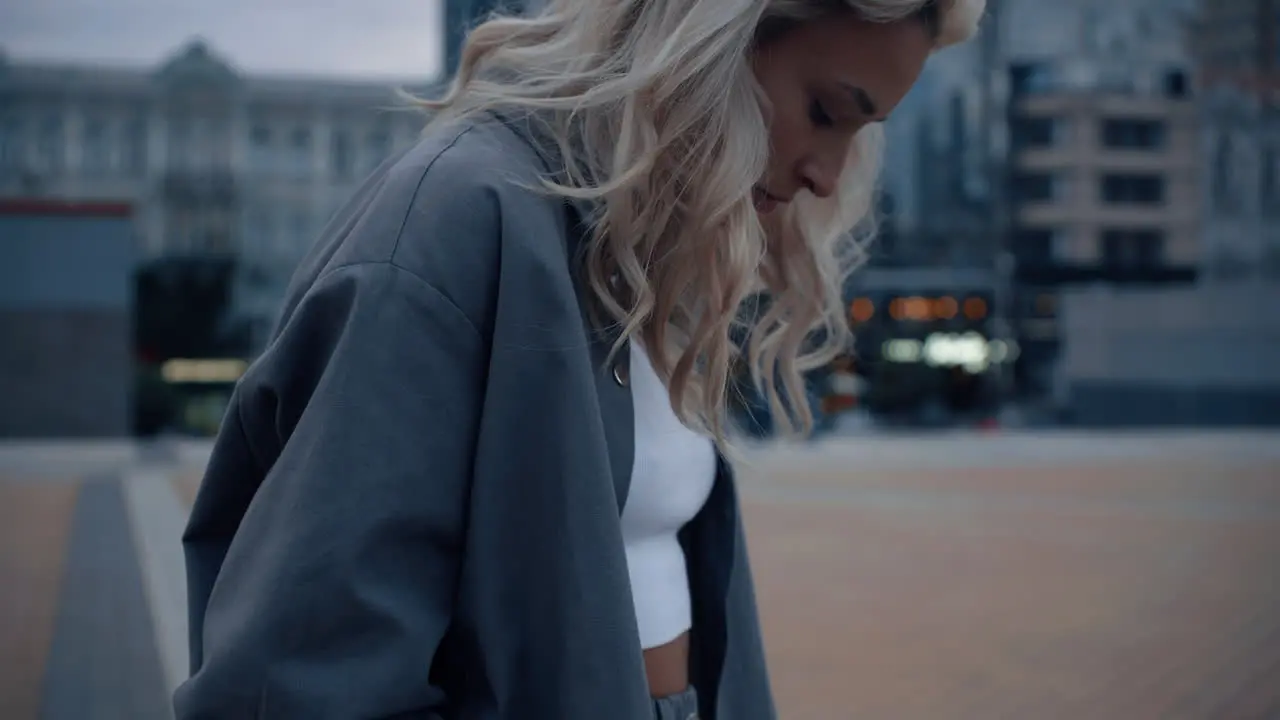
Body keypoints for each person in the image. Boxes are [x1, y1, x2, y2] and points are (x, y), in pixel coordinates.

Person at [174, 0, 985, 718]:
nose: (828, 175)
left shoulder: (654, 243)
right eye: (824, 111)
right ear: (709, 35)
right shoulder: (456, 222)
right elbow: (301, 680)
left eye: (859, 134)